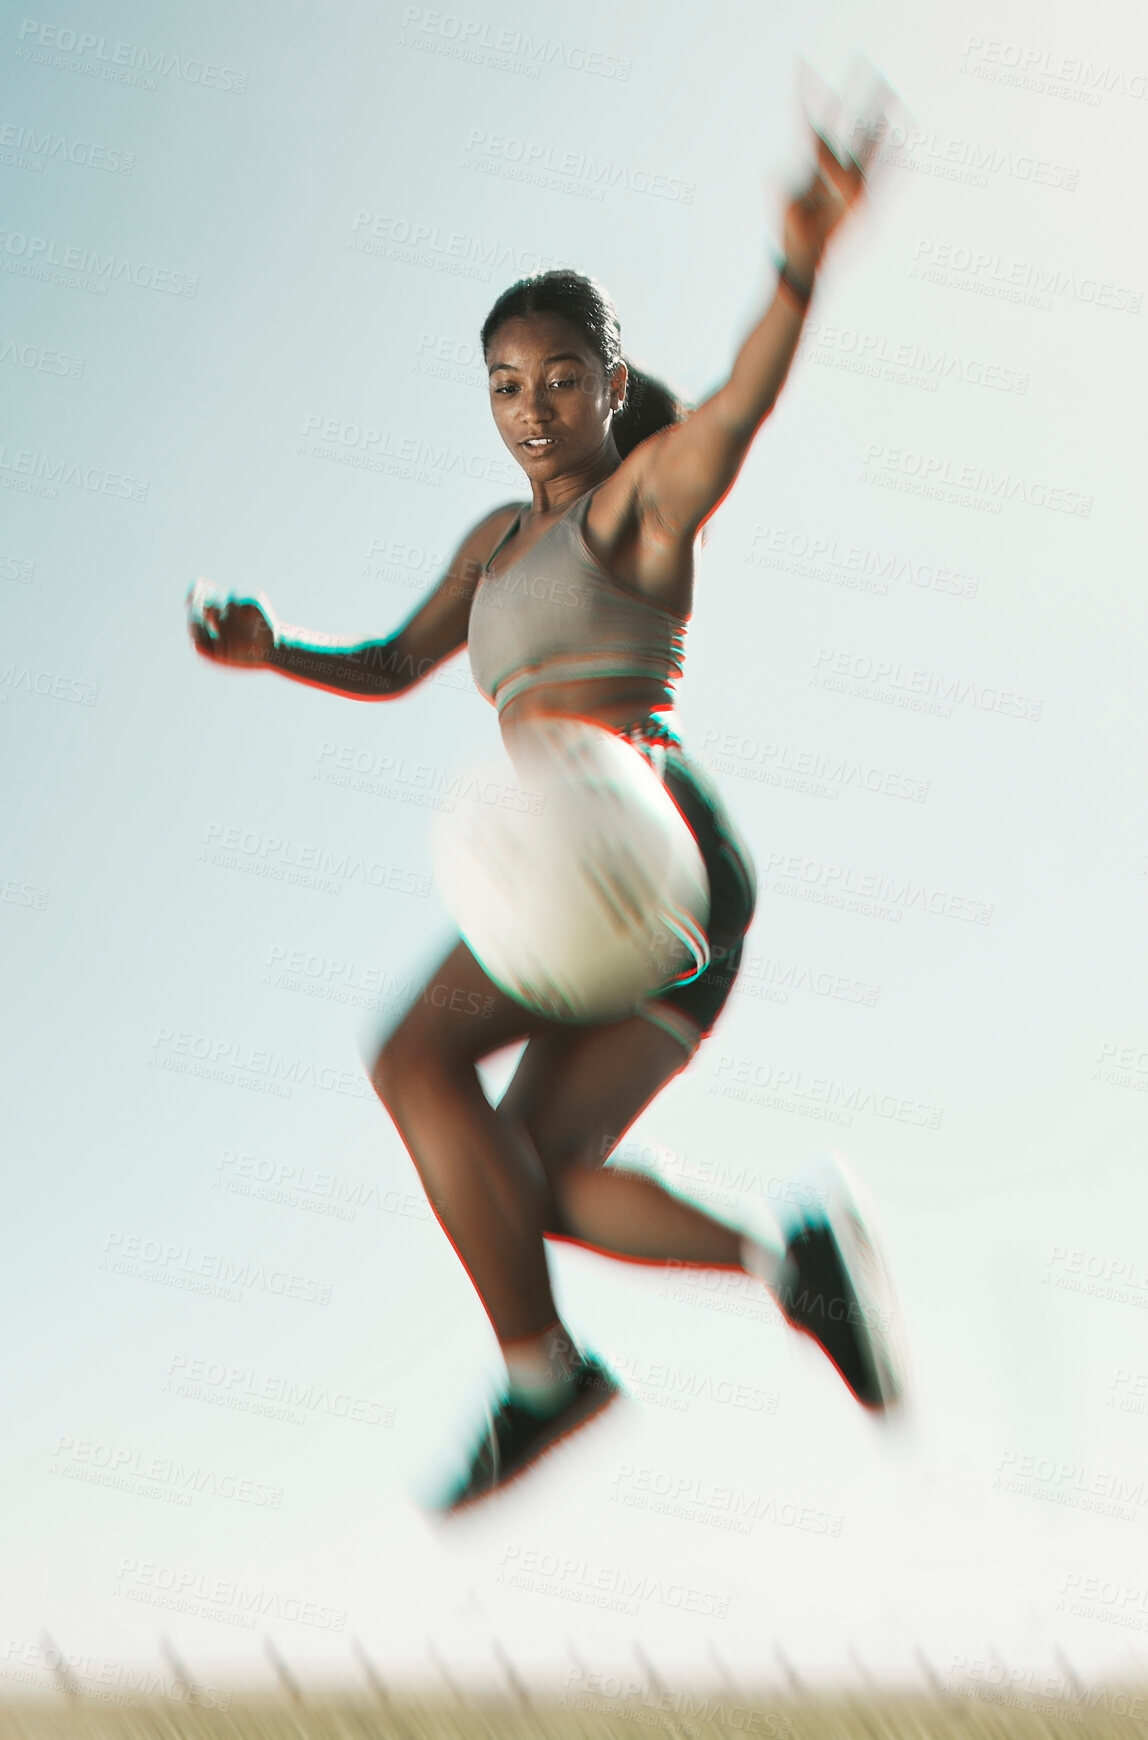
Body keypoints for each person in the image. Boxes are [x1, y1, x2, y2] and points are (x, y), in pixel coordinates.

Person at [189, 113, 902, 1512]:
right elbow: (399, 665)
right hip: (585, 886)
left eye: (562, 379)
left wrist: (798, 269)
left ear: (607, 385)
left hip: (641, 835)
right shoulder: (493, 544)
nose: (531, 407)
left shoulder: (638, 506)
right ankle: (786, 1258)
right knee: (531, 1182)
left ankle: (543, 1380)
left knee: (411, 1061)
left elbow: (740, 417)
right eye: (506, 383)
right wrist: (280, 652)